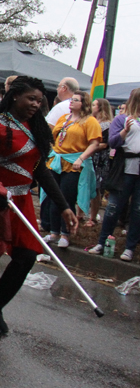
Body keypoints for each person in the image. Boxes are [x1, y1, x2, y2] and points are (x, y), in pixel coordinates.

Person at [0, 76, 77, 337]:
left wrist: (63, 206)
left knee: (27, 256)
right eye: (31, 98)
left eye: (39, 100)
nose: (36, 104)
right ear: (15, 96)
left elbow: (40, 171)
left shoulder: (36, 128)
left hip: (22, 202)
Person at [44, 91, 102, 249]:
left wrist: (81, 158)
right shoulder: (64, 118)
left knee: (66, 198)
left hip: (73, 163)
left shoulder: (90, 121)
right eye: (71, 99)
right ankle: (54, 231)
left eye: (75, 100)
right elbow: (53, 136)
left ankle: (65, 233)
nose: (71, 102)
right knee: (54, 197)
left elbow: (95, 143)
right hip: (57, 162)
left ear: (84, 104)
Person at [89, 89, 140, 260]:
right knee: (113, 207)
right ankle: (102, 242)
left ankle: (130, 247)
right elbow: (113, 143)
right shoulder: (121, 119)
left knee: (137, 210)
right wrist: (125, 131)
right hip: (123, 168)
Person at [85, 98, 113, 228]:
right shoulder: (90, 121)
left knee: (95, 188)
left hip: (99, 159)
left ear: (101, 107)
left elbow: (105, 144)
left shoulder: (108, 125)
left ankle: (93, 217)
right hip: (88, 156)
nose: (92, 107)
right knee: (84, 185)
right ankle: (81, 213)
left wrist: (92, 146)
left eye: (94, 105)